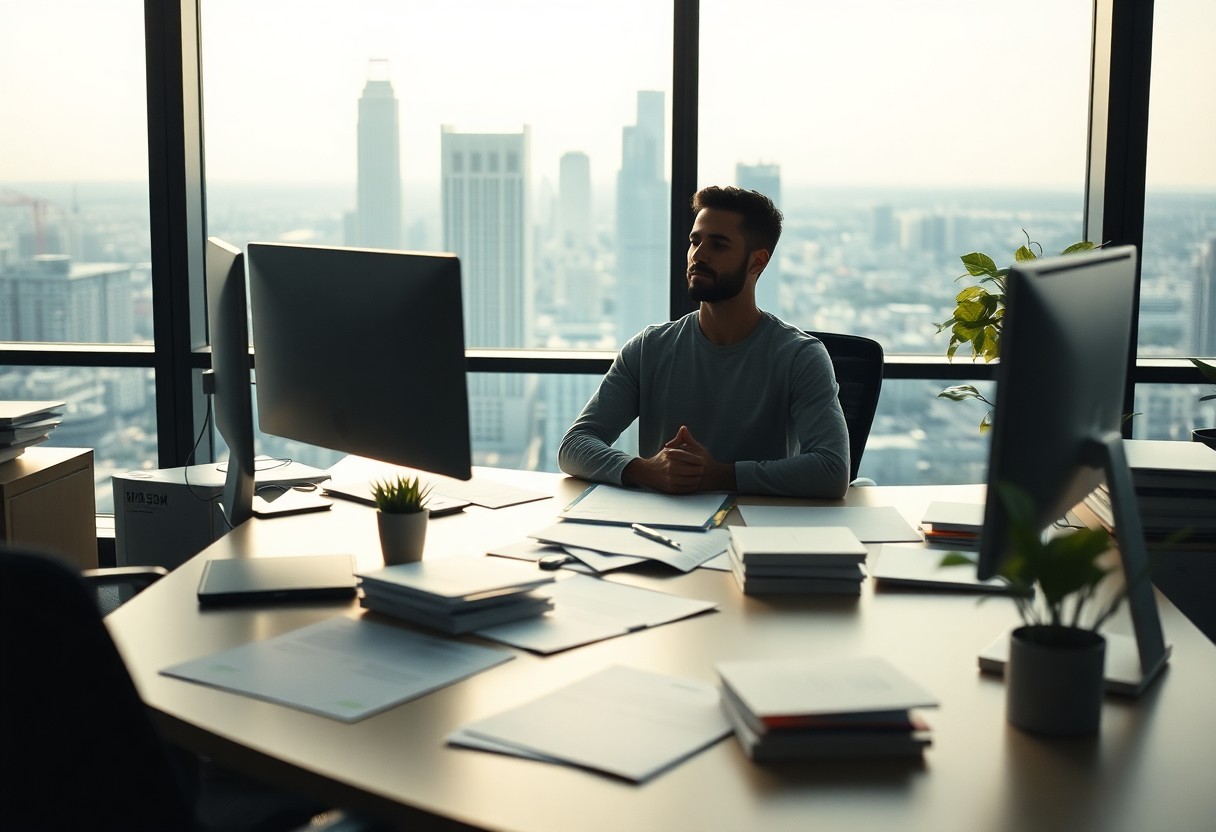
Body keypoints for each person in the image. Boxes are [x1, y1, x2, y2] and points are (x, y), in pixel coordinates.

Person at [557, 185, 850, 499]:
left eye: (719, 245)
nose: (698, 254)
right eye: (695, 241)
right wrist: (647, 470)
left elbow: (832, 470)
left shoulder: (799, 356)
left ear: (757, 262)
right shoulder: (649, 349)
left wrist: (718, 475)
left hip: (760, 531)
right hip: (663, 529)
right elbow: (574, 446)